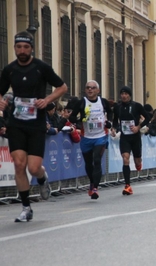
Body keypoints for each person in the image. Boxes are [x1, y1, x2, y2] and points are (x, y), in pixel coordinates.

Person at [0, 31, 67, 222]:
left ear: (31, 48)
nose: (22, 51)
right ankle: (26, 207)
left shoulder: (41, 68)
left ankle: (43, 177)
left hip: (37, 123)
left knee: (33, 167)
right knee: (19, 165)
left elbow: (62, 87)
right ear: (14, 48)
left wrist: (46, 100)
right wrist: (1, 102)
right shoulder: (10, 70)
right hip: (16, 123)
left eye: (26, 47)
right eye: (18, 47)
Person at [69, 80, 113, 199]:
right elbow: (72, 116)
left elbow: (110, 112)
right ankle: (92, 183)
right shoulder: (81, 102)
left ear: (97, 91)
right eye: (88, 87)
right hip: (86, 137)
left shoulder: (102, 102)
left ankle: (95, 188)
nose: (90, 89)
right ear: (85, 90)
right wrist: (80, 119)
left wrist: (109, 122)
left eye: (93, 88)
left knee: (97, 159)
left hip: (100, 136)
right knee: (89, 163)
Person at [111, 86, 151, 195]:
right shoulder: (117, 107)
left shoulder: (136, 106)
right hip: (124, 137)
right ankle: (127, 186)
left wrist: (138, 127)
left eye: (126, 94)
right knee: (125, 159)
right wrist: (113, 129)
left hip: (135, 137)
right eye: (122, 94)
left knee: (137, 161)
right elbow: (115, 121)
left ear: (129, 95)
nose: (123, 96)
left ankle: (138, 163)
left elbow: (148, 117)